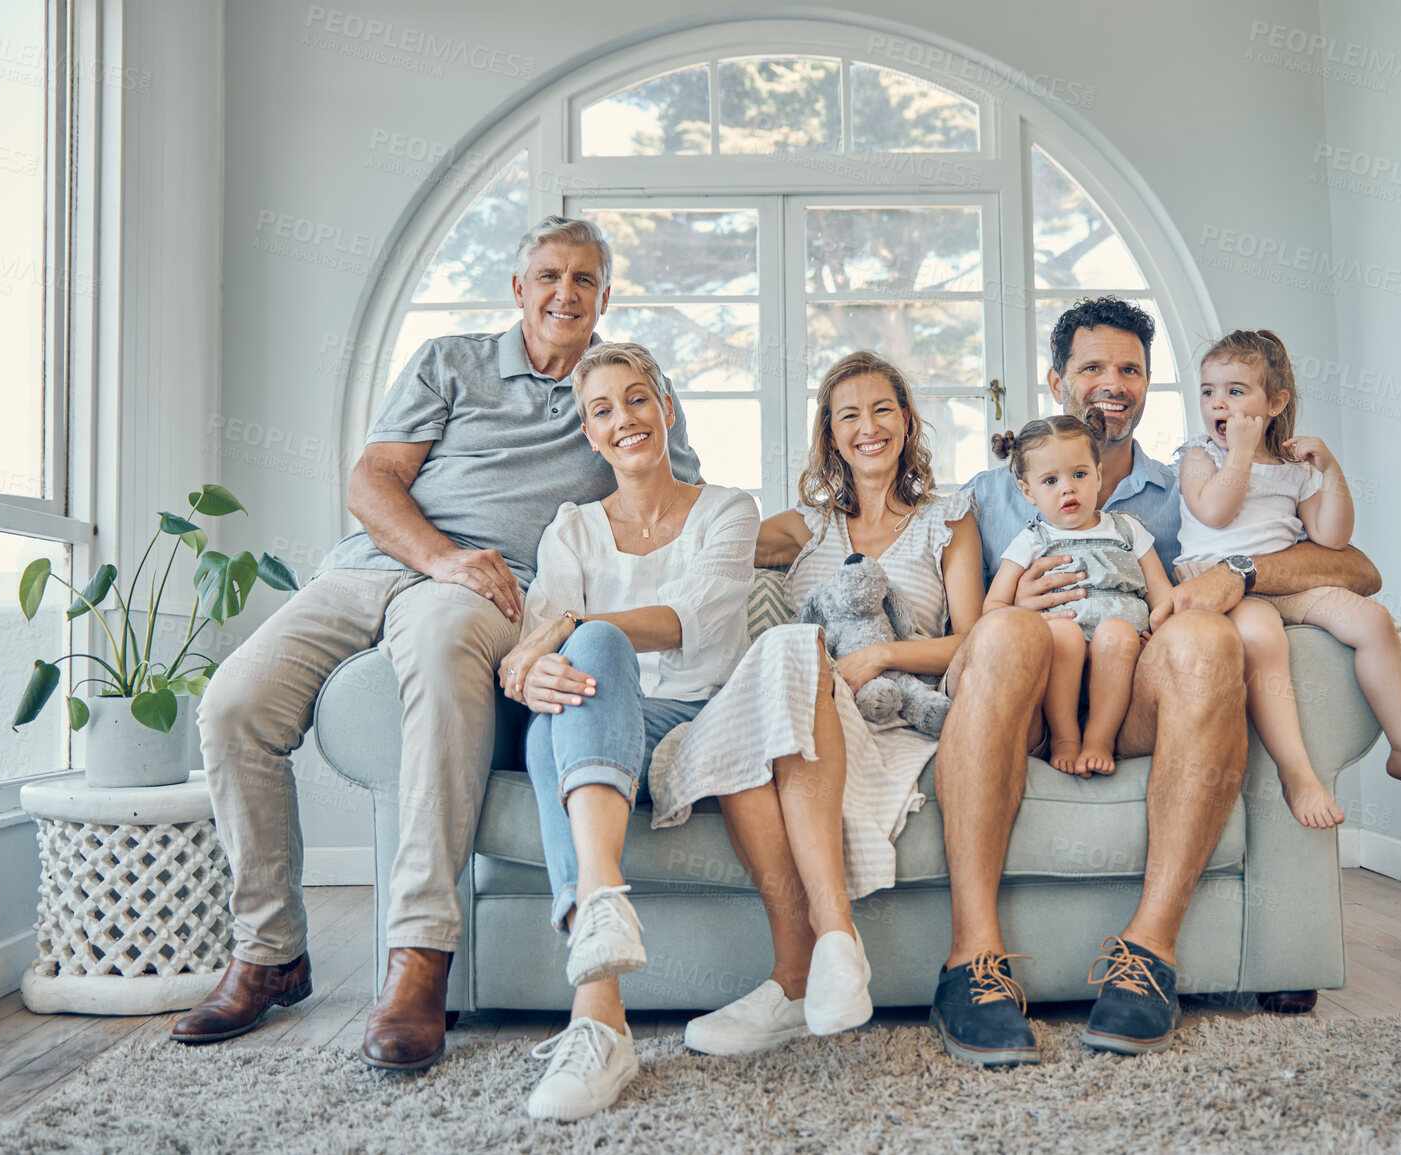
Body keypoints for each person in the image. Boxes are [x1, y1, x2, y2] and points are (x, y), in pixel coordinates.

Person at [174, 218, 702, 1071]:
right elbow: (371, 479)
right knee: (233, 702)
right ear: (518, 287)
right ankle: (270, 949)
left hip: (498, 588)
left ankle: (419, 954)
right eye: (547, 276)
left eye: (583, 280)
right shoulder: (448, 360)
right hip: (381, 565)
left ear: (606, 296)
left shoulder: (623, 384)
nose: (564, 293)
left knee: (448, 645)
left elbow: (671, 493)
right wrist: (439, 556)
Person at [951, 297, 1385, 1060]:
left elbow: (1354, 567)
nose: (1112, 383)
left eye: (1130, 368)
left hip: (1136, 695)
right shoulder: (993, 494)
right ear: (1056, 381)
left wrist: (1237, 571)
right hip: (1027, 697)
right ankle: (974, 960)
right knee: (1011, 627)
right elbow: (959, 637)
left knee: (1203, 637)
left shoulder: (1194, 480)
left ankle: (1147, 951)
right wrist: (1004, 607)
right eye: (1092, 366)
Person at [646, 351, 986, 1059]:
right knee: (780, 660)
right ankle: (824, 948)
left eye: (882, 409)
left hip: (886, 714)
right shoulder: (805, 526)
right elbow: (703, 532)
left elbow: (971, 641)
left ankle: (801, 971)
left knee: (787, 657)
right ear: (829, 435)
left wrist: (882, 654)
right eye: (848, 415)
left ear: (906, 420)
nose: (867, 427)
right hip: (795, 713)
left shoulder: (946, 521)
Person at [499, 342, 756, 1121]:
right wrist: (525, 671)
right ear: (590, 434)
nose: (623, 419)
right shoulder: (571, 529)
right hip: (593, 717)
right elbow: (535, 646)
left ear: (666, 409)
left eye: (636, 399)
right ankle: (599, 975)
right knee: (559, 710)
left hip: (694, 716)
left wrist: (568, 634)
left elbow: (681, 621)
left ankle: (597, 993)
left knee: (596, 648)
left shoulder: (726, 509)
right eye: (601, 410)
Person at [1174, 329, 1401, 828]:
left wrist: (1330, 471)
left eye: (1236, 391)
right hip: (1219, 581)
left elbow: (1331, 538)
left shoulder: (1292, 467)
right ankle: (1297, 774)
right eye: (1208, 391)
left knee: (1373, 621)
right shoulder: (1201, 456)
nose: (1219, 403)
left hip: (1286, 578)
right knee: (1262, 635)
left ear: (1275, 402)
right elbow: (1215, 512)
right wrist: (1239, 452)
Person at [984, 410, 1174, 777]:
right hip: (1060, 653)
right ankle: (1066, 737)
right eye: (1050, 480)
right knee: (1062, 632)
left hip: (1123, 656)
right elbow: (993, 605)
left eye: (1080, 474)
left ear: (1099, 475)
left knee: (1117, 632)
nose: (1067, 488)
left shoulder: (1128, 529)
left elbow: (1161, 593)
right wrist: (1024, 618)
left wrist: (1162, 636)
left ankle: (1099, 739)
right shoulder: (1033, 539)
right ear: (1028, 491)